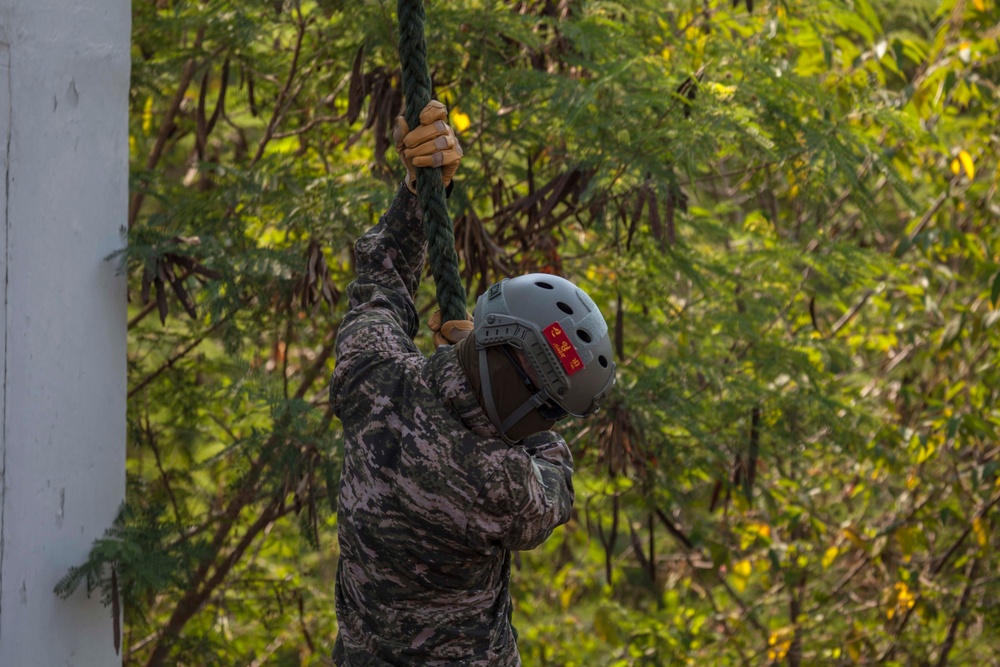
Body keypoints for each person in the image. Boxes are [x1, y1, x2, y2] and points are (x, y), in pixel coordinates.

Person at [328, 100, 616, 666]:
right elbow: (554, 476)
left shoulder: (374, 376)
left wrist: (417, 192)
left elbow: (379, 284)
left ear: (488, 322)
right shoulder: (505, 487)